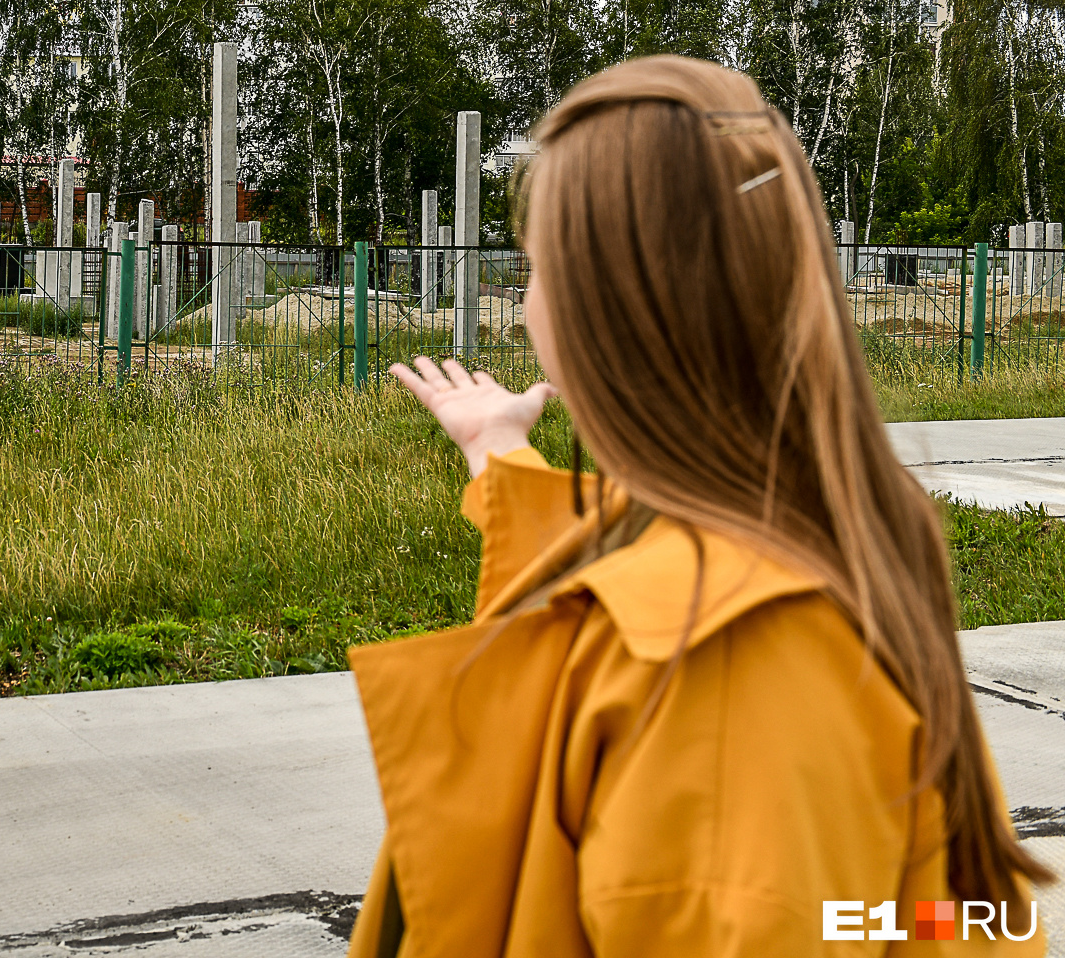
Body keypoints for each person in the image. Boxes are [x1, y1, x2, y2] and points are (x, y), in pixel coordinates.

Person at [351, 56, 1050, 956]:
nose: (523, 312)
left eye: (533, 271)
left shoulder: (717, 678)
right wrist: (499, 455)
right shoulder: (781, 537)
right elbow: (902, 922)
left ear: (610, 310)